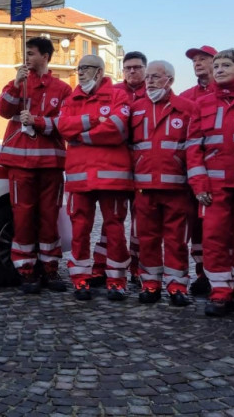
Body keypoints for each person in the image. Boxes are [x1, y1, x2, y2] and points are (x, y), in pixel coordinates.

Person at [186, 48, 234, 317]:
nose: (218, 70)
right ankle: (220, 291)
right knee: (214, 238)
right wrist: (199, 183)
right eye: (216, 65)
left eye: (226, 65)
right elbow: (194, 147)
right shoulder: (202, 104)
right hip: (214, 188)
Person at [0, 37, 71, 293]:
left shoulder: (62, 89)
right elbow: (2, 110)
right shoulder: (17, 83)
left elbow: (66, 124)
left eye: (32, 53)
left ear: (46, 57)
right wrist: (16, 85)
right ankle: (26, 271)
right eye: (25, 53)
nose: (27, 57)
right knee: (23, 216)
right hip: (20, 162)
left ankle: (50, 269)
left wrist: (38, 121)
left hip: (50, 163)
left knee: (50, 217)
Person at [57, 55, 133, 301]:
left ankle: (117, 280)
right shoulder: (71, 99)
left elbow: (117, 129)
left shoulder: (118, 96)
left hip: (112, 178)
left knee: (115, 230)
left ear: (99, 72)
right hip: (80, 177)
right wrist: (91, 121)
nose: (80, 73)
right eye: (78, 69)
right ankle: (80, 279)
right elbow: (63, 127)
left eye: (85, 69)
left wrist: (81, 136)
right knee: (80, 229)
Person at [130, 61, 197, 307]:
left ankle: (177, 286)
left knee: (176, 240)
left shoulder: (188, 108)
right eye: (147, 77)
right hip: (144, 187)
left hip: (177, 188)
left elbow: (194, 149)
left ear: (170, 79)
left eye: (155, 77)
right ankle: (150, 284)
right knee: (147, 239)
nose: (149, 81)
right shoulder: (135, 109)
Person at [89, 51, 147, 287]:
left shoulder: (152, 93)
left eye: (137, 67)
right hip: (117, 164)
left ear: (145, 68)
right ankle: (102, 265)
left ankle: (138, 267)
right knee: (112, 220)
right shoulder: (113, 93)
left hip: (144, 166)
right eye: (128, 68)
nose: (132, 71)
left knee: (140, 221)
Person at [179, 45, 217, 295]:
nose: (197, 63)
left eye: (203, 59)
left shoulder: (223, 92)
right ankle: (203, 273)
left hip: (219, 175)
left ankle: (223, 276)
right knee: (196, 229)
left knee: (219, 229)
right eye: (194, 60)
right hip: (190, 174)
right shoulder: (185, 96)